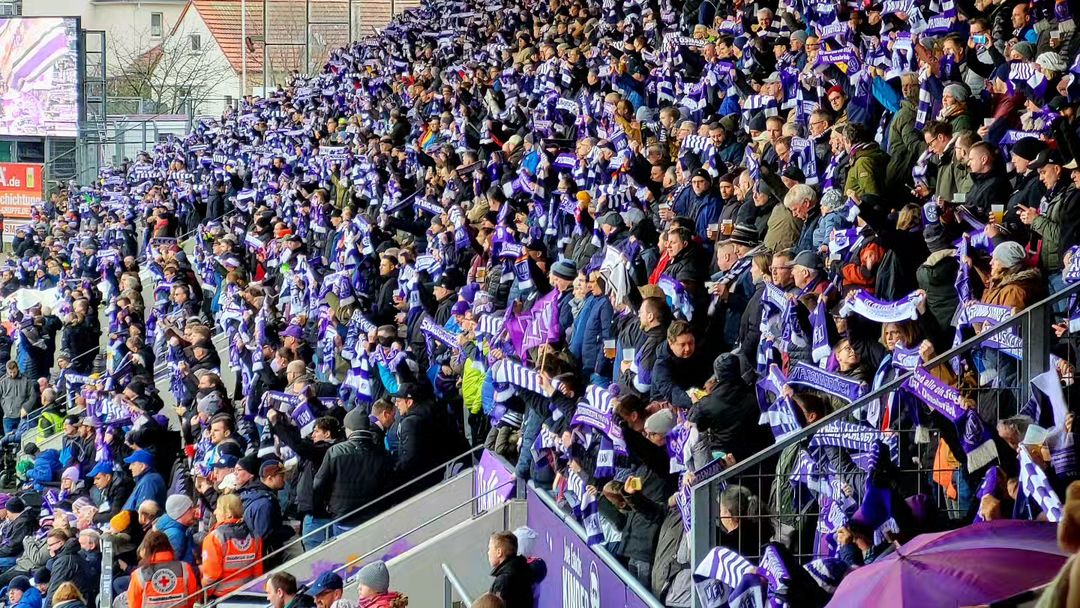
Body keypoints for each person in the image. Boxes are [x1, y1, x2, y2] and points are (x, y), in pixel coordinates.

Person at [313, 407, 392, 534]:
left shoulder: (335, 451)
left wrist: (328, 505)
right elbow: (389, 486)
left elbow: (318, 483)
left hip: (343, 518)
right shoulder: (383, 454)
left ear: (348, 429)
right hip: (373, 518)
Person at [200, 494, 263, 598]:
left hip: (221, 597)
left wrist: (204, 594)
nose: (215, 512)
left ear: (229, 514)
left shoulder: (214, 538)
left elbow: (211, 576)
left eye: (218, 509)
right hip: (247, 594)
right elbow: (257, 571)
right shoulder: (254, 536)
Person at [126, 531, 199, 608]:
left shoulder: (139, 574)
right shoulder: (185, 568)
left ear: (147, 550)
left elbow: (134, 604)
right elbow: (192, 598)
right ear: (169, 546)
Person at [487, 532, 534, 608]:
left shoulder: (503, 582)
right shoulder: (521, 569)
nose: (488, 552)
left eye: (489, 548)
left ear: (499, 552)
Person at [154, 495, 196, 566]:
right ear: (181, 512)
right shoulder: (176, 535)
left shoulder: (179, 528)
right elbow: (171, 566)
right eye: (190, 508)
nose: (194, 510)